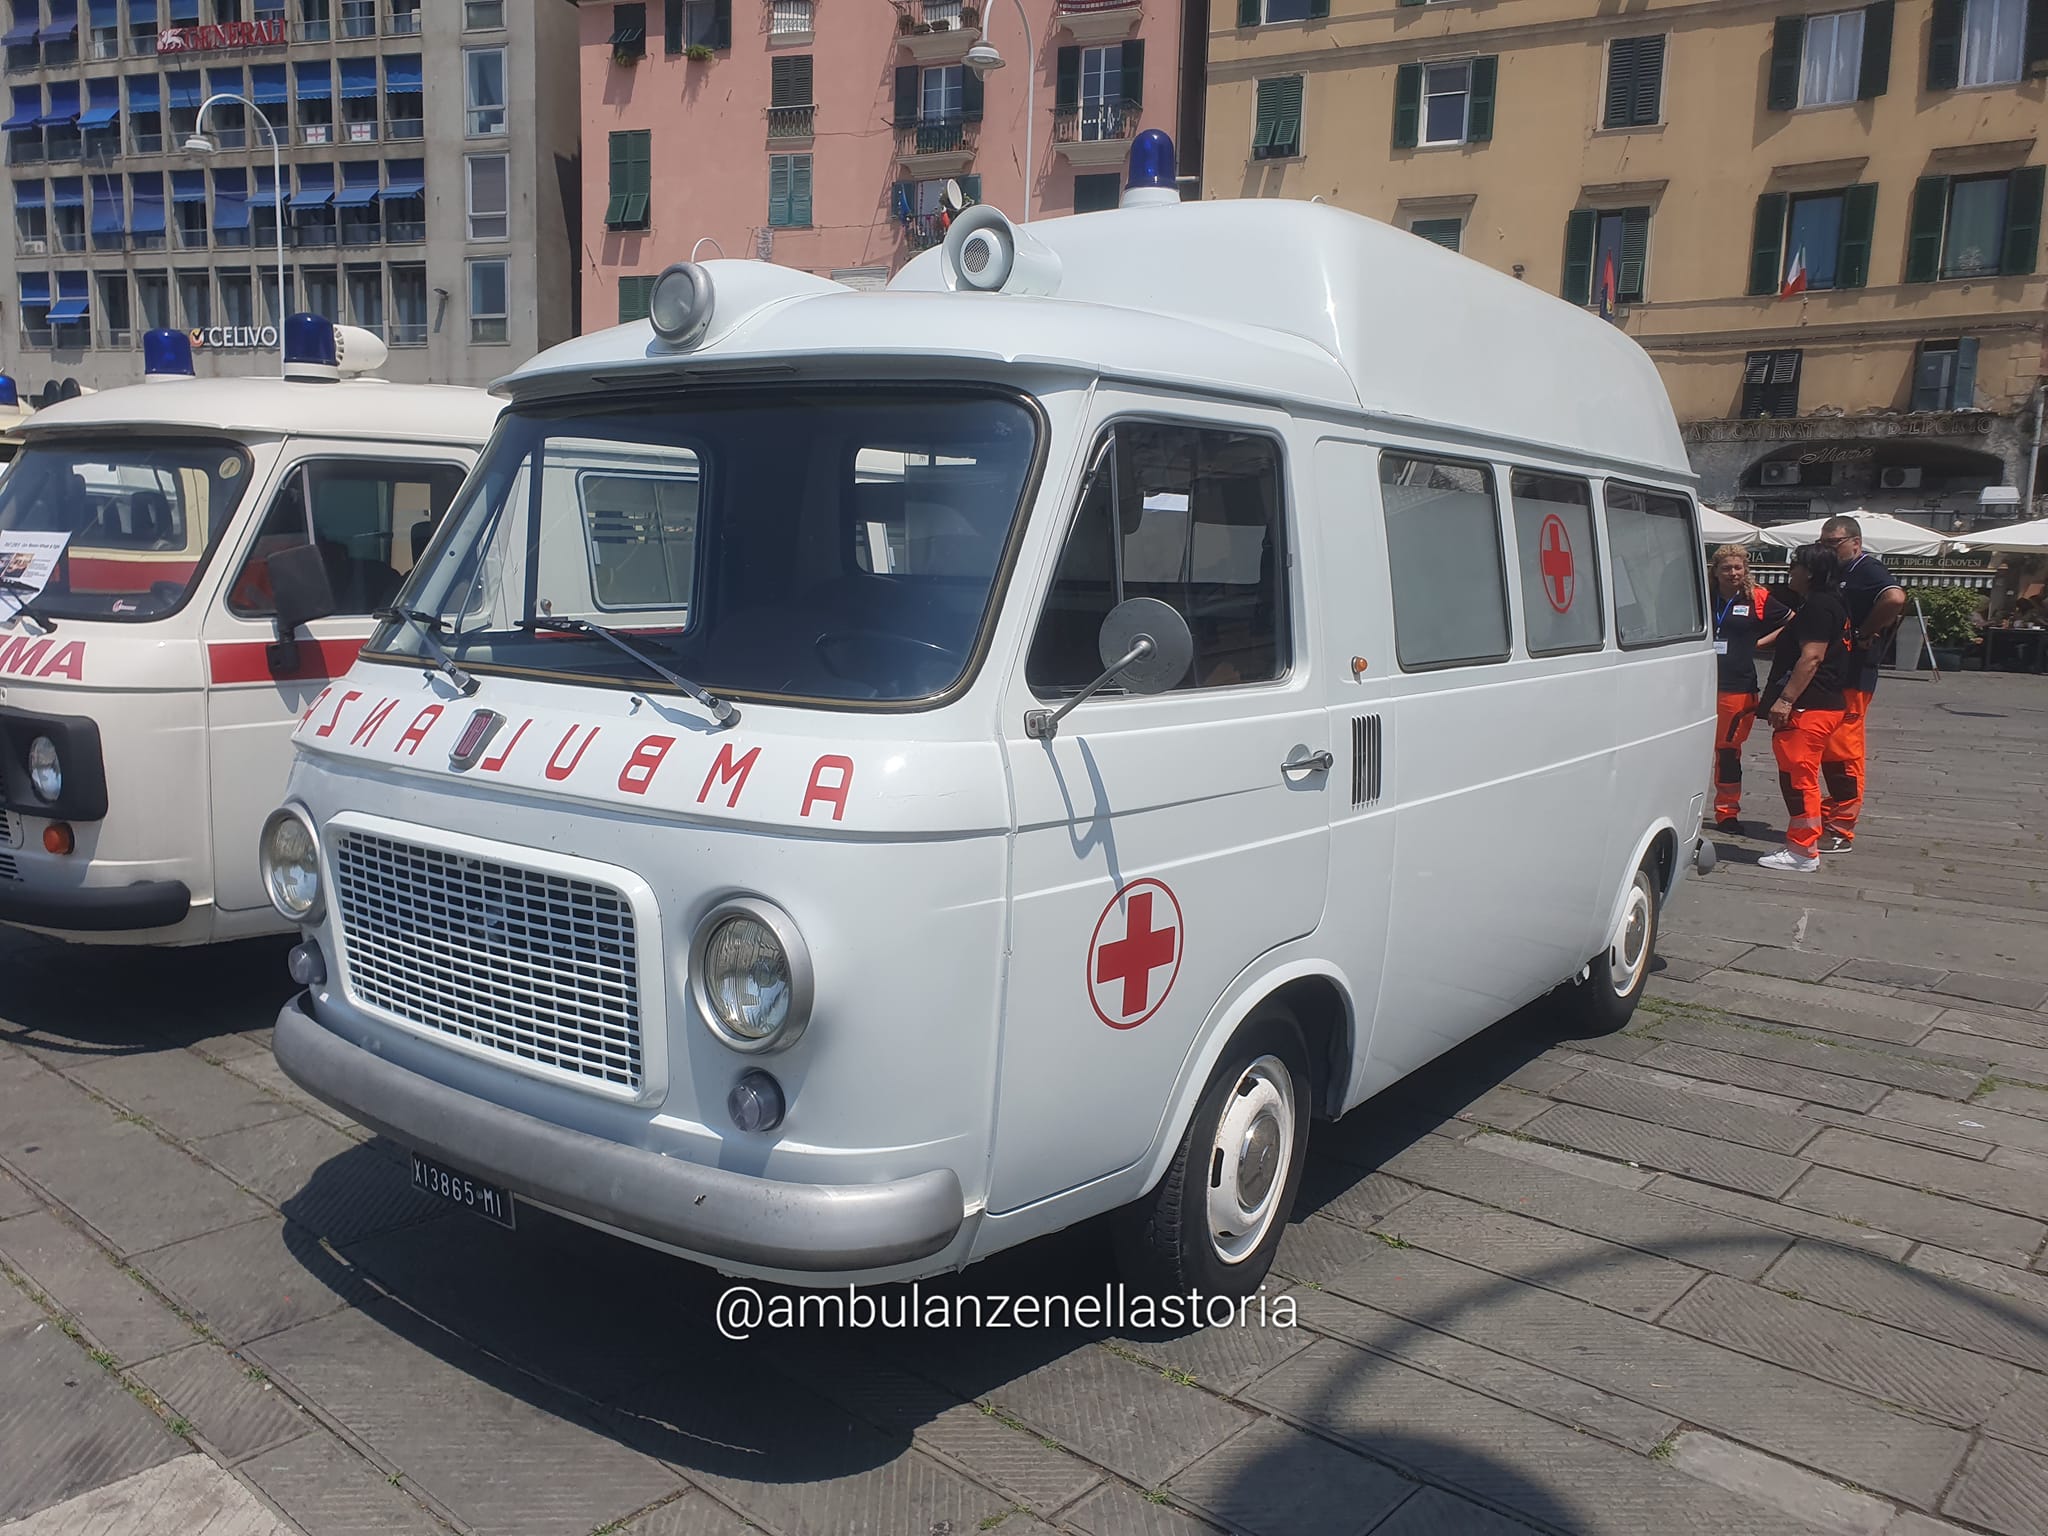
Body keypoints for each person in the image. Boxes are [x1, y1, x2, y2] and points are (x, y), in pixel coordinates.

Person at [1759, 544, 1853, 872]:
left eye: (1795, 566)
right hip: (1823, 704)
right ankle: (1803, 845)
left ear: (1810, 573)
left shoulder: (1817, 606)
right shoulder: (1830, 604)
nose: (1790, 572)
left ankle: (1802, 851)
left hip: (1808, 707)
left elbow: (1811, 657)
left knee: (1799, 777)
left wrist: (1786, 700)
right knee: (1800, 774)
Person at [1815, 515, 1905, 851]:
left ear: (1855, 542)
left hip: (1855, 675)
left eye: (1833, 543)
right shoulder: (1837, 572)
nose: (1827, 549)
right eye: (1823, 543)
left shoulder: (1866, 568)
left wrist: (1864, 632)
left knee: (1844, 752)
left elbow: (1895, 598)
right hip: (1837, 674)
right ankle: (1831, 815)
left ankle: (1841, 828)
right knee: (1831, 750)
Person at [1707, 543, 1792, 831]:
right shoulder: (1702, 596)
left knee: (1728, 751)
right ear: (1715, 572)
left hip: (1738, 687)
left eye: (1738, 567)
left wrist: (1761, 643)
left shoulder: (1757, 597)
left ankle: (1726, 812)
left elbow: (1794, 622)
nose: (1733, 573)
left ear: (1746, 569)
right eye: (1726, 568)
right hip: (1699, 682)